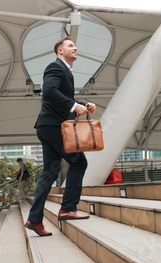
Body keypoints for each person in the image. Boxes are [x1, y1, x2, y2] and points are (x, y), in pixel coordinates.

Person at [25, 36, 96, 237]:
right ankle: (68, 208)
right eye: (70, 46)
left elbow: (61, 97)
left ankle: (35, 219)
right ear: (60, 51)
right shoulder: (56, 67)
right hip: (54, 127)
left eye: (75, 45)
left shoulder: (64, 70)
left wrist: (82, 103)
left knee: (50, 171)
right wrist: (74, 106)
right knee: (79, 163)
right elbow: (49, 92)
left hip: (47, 126)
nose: (76, 48)